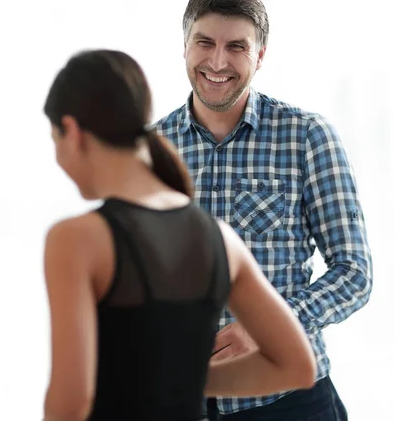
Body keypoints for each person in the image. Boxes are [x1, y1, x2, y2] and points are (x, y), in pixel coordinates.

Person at [41, 48, 317, 421]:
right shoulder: (219, 238)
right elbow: (297, 366)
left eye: (54, 139)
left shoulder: (76, 240)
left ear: (72, 132)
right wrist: (181, 381)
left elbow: (69, 407)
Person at [155, 0, 373, 420]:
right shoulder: (150, 150)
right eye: (205, 42)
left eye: (237, 46)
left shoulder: (307, 137)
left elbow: (355, 273)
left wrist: (268, 325)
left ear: (260, 55)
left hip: (289, 402)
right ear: (184, 47)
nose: (218, 61)